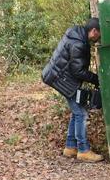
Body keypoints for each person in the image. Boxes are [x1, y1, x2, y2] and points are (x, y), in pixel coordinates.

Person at [42, 17, 103, 163]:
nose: (99, 37)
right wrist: (96, 79)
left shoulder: (77, 35)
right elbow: (78, 71)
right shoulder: (78, 44)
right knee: (81, 113)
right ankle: (83, 150)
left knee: (77, 111)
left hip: (58, 76)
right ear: (94, 31)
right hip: (61, 79)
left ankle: (70, 147)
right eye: (99, 34)